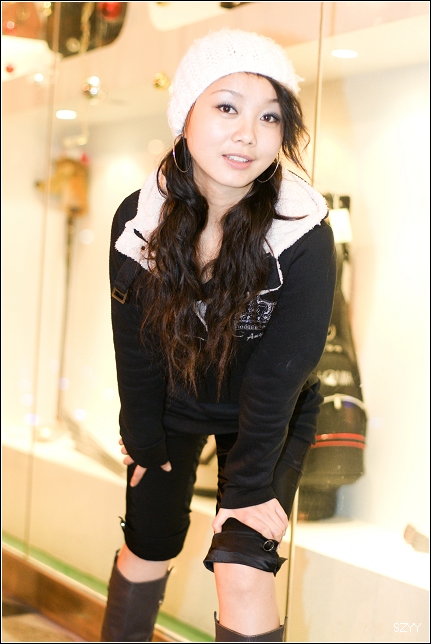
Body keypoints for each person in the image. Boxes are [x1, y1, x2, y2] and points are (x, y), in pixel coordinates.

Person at [102, 28, 336, 643]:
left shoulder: (302, 230)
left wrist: (249, 487)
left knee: (242, 568)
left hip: (268, 416)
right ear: (186, 116)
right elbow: (136, 342)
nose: (248, 134)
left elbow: (283, 370)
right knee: (149, 544)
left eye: (270, 116)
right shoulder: (141, 217)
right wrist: (142, 438)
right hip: (175, 402)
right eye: (227, 107)